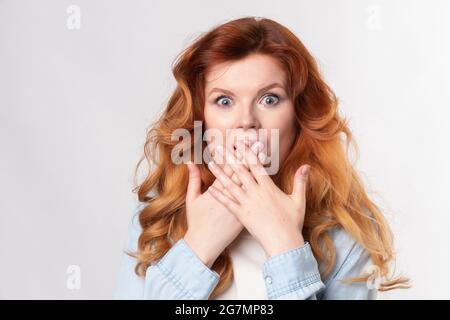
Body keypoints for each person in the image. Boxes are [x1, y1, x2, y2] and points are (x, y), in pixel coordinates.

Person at [114, 17, 409, 300]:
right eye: (224, 101)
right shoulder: (157, 218)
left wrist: (283, 243)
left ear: (299, 115)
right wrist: (199, 245)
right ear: (201, 118)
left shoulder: (345, 231)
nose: (246, 121)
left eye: (269, 99)